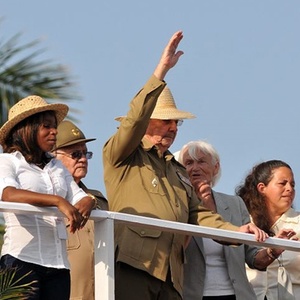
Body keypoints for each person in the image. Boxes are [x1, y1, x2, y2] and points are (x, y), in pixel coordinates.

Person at [102, 31, 268, 300]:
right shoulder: (124, 155)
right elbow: (132, 122)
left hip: (172, 275)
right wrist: (161, 71)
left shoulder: (177, 171)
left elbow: (200, 216)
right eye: (165, 120)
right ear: (147, 121)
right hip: (134, 265)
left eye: (175, 123)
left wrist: (237, 232)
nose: (172, 127)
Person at [0, 96, 95, 300]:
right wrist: (58, 201)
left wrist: (89, 200)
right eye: (47, 126)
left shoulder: (57, 166)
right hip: (20, 260)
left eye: (54, 126)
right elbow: (8, 194)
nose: (54, 132)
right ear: (28, 129)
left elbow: (79, 196)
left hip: (59, 265)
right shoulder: (8, 161)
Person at [177, 141, 295, 300]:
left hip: (237, 295)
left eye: (201, 161)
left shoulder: (235, 204)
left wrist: (272, 251)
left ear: (216, 167)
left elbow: (253, 258)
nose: (195, 167)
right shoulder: (176, 203)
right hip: (190, 295)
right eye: (189, 163)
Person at [52, 120, 108, 300]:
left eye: (86, 153)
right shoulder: (45, 201)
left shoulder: (99, 200)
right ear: (53, 157)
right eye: (75, 154)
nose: (83, 159)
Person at [236, 160, 300, 300]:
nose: (290, 189)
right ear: (262, 187)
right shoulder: (243, 224)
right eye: (282, 183)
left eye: (293, 184)